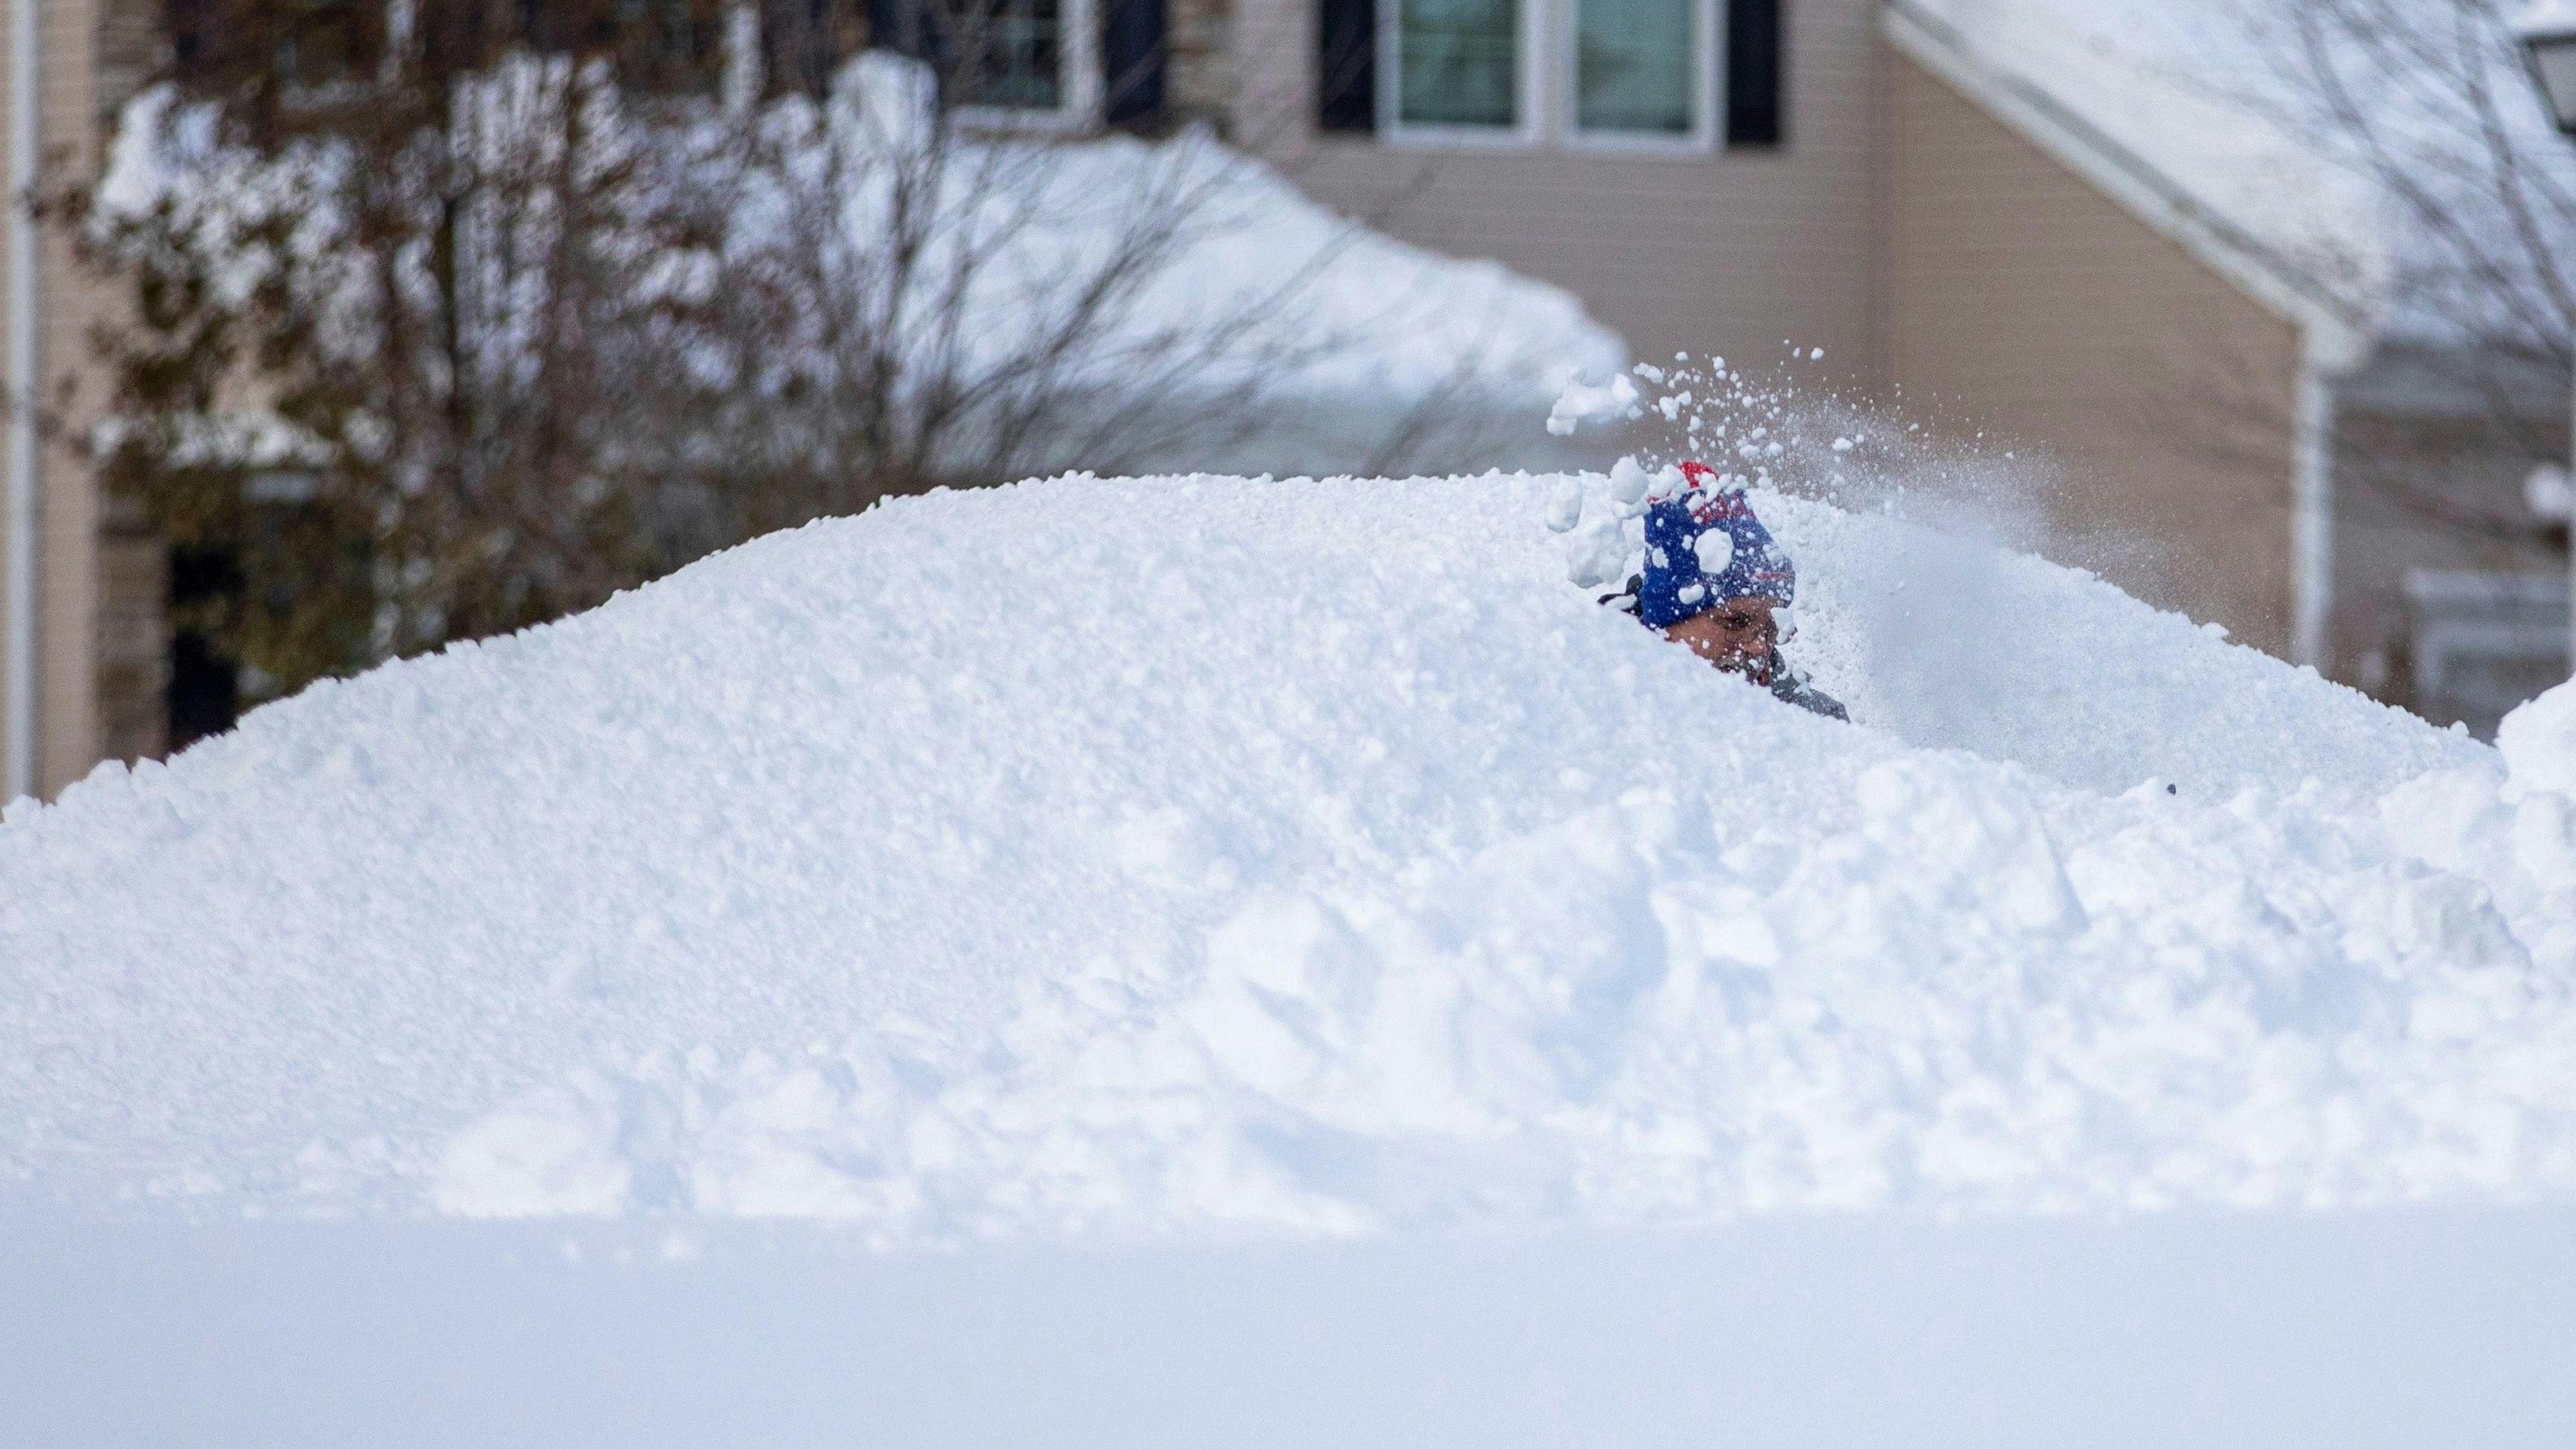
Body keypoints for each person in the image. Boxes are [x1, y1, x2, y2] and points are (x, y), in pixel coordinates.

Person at [1601, 462, 1847, 720]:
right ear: (1664, 622)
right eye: (1736, 621)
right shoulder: (1585, 697)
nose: (1759, 648)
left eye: (1771, 628)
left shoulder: (1818, 724)